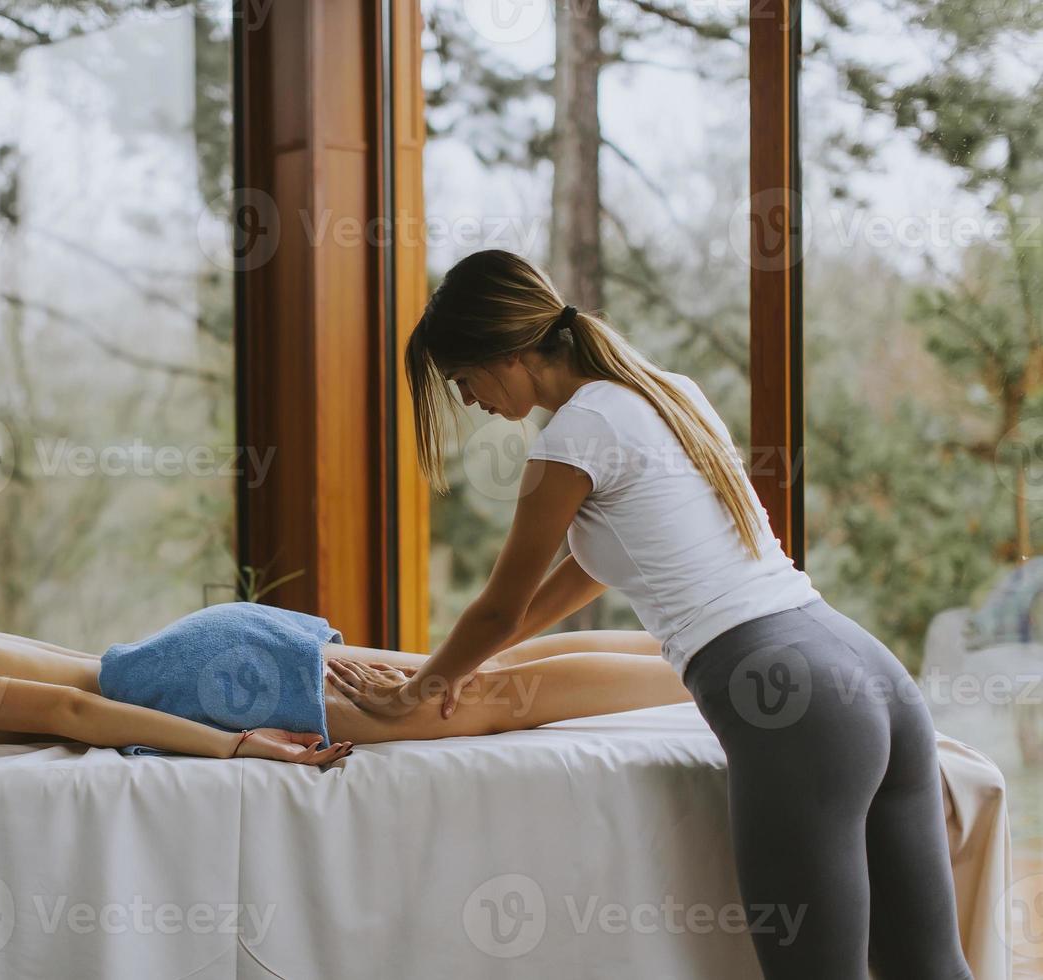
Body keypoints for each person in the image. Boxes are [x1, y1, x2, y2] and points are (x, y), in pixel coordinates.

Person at [328, 248, 973, 980]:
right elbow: (580, 578)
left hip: (794, 705)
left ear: (506, 354)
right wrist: (482, 667)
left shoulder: (571, 439)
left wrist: (415, 690)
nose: (468, 399)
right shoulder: (665, 393)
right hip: (867, 671)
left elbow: (497, 608)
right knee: (932, 969)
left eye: (463, 379)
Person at [0, 602, 691, 763]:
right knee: (486, 670)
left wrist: (233, 744)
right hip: (206, 652)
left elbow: (70, 709)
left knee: (489, 698)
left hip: (210, 686)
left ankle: (705, 676)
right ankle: (698, 646)